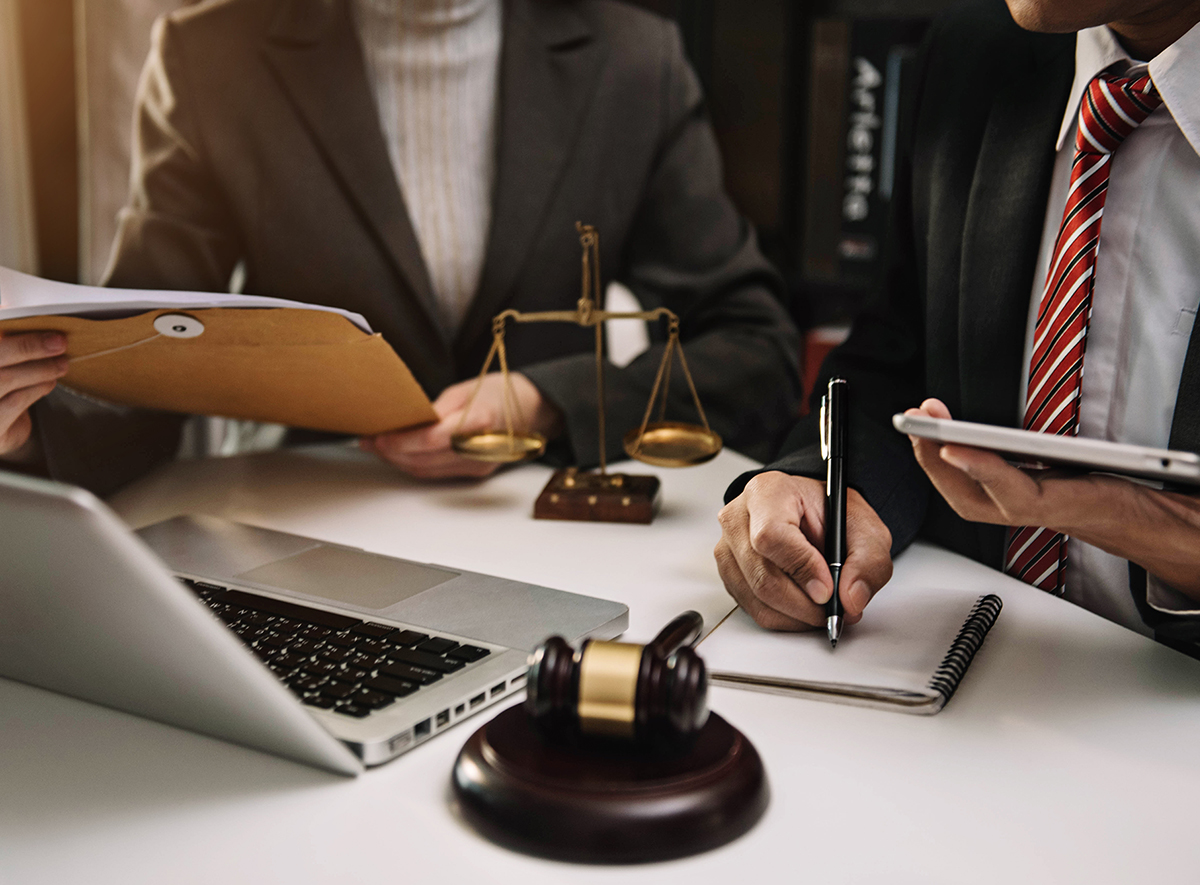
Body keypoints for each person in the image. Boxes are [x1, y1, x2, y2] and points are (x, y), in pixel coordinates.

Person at [0, 0, 800, 495]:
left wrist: (545, 401)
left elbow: (754, 349)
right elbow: (140, 364)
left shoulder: (635, 62)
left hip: (539, 521)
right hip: (299, 518)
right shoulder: (210, 58)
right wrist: (30, 427)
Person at [715, 0, 1200, 652]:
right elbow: (898, 361)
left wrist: (1144, 524)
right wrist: (826, 485)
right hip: (960, 660)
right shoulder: (974, 52)